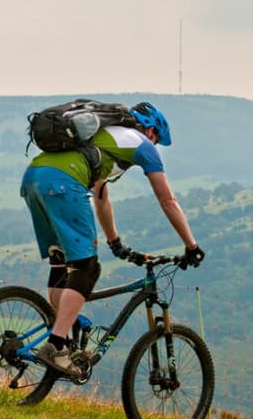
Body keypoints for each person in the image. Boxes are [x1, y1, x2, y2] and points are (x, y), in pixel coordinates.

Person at [20, 101, 204, 375]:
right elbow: (168, 200)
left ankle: (59, 328)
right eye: (156, 139)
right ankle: (56, 345)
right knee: (87, 269)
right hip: (63, 184)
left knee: (61, 264)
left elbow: (101, 196)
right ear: (151, 130)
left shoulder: (100, 138)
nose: (155, 144)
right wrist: (192, 245)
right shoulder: (142, 145)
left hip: (34, 179)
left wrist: (115, 242)